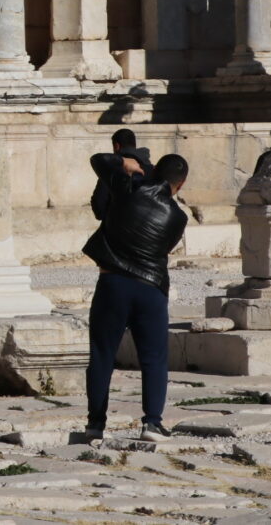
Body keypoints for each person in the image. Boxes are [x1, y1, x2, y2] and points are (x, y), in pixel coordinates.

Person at [81, 151, 190, 445]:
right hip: (151, 288)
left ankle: (95, 423)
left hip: (113, 282)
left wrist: (124, 165)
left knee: (102, 354)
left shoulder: (129, 188)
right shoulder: (179, 217)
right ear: (180, 184)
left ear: (154, 172)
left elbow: (97, 160)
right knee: (154, 358)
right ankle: (152, 423)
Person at [92, 128, 152, 221]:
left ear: (116, 146)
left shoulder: (112, 170)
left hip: (118, 228)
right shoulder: (151, 169)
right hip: (147, 227)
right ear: (134, 145)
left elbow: (99, 204)